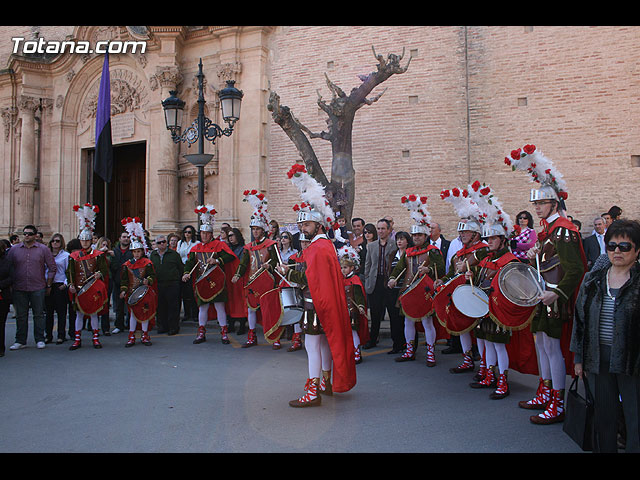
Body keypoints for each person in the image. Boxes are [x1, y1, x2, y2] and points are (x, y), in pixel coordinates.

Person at [505, 144, 587, 424]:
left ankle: (557, 402)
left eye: (540, 203)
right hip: (543, 297)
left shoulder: (563, 229)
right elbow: (549, 262)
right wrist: (535, 253)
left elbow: (575, 269)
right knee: (542, 346)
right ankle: (544, 391)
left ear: (554, 203)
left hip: (554, 299)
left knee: (552, 349)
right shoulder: (548, 231)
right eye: (535, 204)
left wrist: (558, 294)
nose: (536, 207)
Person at [277, 162, 356, 407]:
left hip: (315, 305)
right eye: (301, 225)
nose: (303, 228)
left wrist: (288, 275)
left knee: (313, 345)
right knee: (322, 343)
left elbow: (311, 278)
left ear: (318, 225)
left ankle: (312, 391)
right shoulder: (322, 245)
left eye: (307, 225)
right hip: (321, 303)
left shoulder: (319, 247)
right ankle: (326, 382)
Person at [571, 219, 640, 452]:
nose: (617, 251)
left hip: (633, 361)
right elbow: (579, 320)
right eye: (612, 246)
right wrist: (578, 358)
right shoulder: (593, 279)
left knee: (635, 419)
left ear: (637, 250)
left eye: (624, 246)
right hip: (598, 359)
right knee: (604, 418)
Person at [465, 185, 539, 399]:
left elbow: (516, 288)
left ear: (504, 241)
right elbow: (481, 279)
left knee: (498, 346)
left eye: (493, 239)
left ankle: (503, 381)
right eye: (488, 239)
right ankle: (490, 375)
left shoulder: (512, 261)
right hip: (484, 308)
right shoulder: (487, 259)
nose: (489, 243)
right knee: (487, 344)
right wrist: (473, 277)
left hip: (500, 311)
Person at [435, 184, 490, 373]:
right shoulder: (459, 252)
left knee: (481, 332)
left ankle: (484, 365)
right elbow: (452, 272)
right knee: (464, 329)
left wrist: (470, 270)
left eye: (465, 232)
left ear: (475, 233)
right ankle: (467, 359)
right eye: (460, 232)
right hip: (461, 295)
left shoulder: (483, 249)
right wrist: (443, 280)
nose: (461, 235)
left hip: (479, 294)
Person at [388, 195, 445, 366]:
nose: (416, 237)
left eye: (419, 235)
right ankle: (409, 350)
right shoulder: (408, 251)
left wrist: (429, 270)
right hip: (407, 289)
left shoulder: (433, 251)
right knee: (408, 320)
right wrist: (392, 278)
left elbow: (442, 270)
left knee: (427, 322)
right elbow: (399, 269)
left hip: (424, 291)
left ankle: (430, 353)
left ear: (426, 235)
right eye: (414, 235)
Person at [183, 205, 238, 345]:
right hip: (202, 281)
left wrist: (217, 260)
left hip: (217, 281)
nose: (204, 236)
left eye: (206, 234)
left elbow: (231, 257)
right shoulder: (196, 248)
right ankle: (201, 332)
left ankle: (224, 332)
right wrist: (186, 273)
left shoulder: (219, 245)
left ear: (211, 234)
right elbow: (190, 263)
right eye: (202, 233)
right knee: (203, 307)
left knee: (219, 306)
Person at [232, 191, 280, 348]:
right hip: (252, 281)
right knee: (251, 310)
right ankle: (252, 336)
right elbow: (243, 264)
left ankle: (275, 337)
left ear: (263, 230)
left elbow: (277, 263)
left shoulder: (271, 245)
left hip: (267, 282)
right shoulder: (248, 247)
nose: (255, 232)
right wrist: (238, 275)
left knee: (270, 309)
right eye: (253, 229)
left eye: (258, 229)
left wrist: (269, 266)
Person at [66, 204, 109, 350]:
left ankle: (95, 338)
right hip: (79, 289)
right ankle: (77, 339)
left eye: (87, 240)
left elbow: (104, 269)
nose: (85, 242)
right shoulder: (73, 256)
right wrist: (70, 285)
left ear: (91, 240)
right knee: (78, 314)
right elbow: (70, 272)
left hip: (92, 288)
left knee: (93, 314)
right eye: (83, 240)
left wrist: (100, 273)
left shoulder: (98, 255)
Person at [7, 225, 56, 350]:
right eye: (25, 233)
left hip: (38, 286)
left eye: (29, 233)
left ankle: (39, 339)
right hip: (19, 286)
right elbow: (8, 266)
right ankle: (20, 340)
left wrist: (48, 284)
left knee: (38, 314)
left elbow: (52, 267)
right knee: (21, 315)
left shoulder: (43, 249)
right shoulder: (14, 250)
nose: (26, 236)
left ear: (35, 235)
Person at [120, 218, 156, 347]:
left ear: (142, 251)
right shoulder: (127, 265)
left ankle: (145, 335)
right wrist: (123, 290)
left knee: (144, 314)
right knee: (133, 315)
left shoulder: (148, 263)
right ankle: (131, 336)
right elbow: (124, 280)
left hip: (144, 293)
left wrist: (149, 280)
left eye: (138, 251)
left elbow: (152, 276)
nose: (136, 254)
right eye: (134, 252)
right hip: (132, 293)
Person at [363, 218, 398, 349]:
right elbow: (368, 265)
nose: (380, 231)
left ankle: (397, 343)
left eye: (383, 228)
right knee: (375, 313)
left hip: (389, 283)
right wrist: (368, 281)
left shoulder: (394, 244)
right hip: (375, 282)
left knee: (393, 313)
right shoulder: (371, 246)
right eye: (378, 228)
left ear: (389, 230)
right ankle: (372, 340)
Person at [337, 245, 370, 364]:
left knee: (353, 332)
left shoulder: (355, 280)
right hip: (342, 311)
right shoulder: (340, 280)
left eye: (345, 267)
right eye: (341, 267)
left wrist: (360, 306)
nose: (343, 270)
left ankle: (357, 352)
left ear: (352, 267)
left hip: (353, 311)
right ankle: (348, 352)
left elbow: (359, 296)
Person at [150, 234, 183, 336]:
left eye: (163, 242)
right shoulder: (153, 255)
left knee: (173, 307)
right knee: (160, 307)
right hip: (158, 284)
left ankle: (173, 327)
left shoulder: (174, 254)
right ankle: (162, 326)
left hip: (172, 283)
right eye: (159, 242)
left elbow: (180, 268)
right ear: (156, 244)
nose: (162, 244)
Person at [387, 231, 412, 354]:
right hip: (393, 291)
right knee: (394, 318)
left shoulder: (411, 254)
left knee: (407, 319)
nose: (399, 241)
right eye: (397, 239)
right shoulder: (393, 254)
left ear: (407, 241)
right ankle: (397, 344)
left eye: (402, 239)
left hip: (407, 290)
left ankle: (409, 346)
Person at [44, 233, 70, 344]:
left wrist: (65, 284)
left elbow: (68, 271)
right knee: (48, 312)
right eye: (53, 241)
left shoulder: (66, 255)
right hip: (48, 285)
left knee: (61, 312)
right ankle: (48, 335)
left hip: (59, 285)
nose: (55, 243)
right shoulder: (45, 254)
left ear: (61, 243)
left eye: (57, 241)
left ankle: (61, 335)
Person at [110, 230, 133, 334]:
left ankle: (130, 324)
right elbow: (113, 266)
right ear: (120, 239)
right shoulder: (114, 251)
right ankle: (119, 325)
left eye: (128, 237)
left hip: (130, 281)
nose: (126, 239)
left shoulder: (133, 251)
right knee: (119, 305)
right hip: (118, 281)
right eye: (124, 237)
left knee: (130, 303)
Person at [226, 227, 248, 335]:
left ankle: (242, 325)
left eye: (232, 235)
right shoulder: (227, 248)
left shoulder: (243, 249)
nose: (230, 238)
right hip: (229, 277)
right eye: (229, 236)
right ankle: (231, 324)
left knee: (240, 301)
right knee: (230, 301)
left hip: (239, 278)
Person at [176, 225, 199, 324]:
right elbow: (178, 255)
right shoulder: (180, 243)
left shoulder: (196, 243)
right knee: (184, 292)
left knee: (192, 291)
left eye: (189, 232)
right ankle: (186, 313)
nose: (187, 234)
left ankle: (195, 313)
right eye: (185, 232)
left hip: (192, 268)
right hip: (182, 267)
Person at [95, 236, 114, 336]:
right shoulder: (95, 254)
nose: (105, 247)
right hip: (98, 280)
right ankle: (94, 327)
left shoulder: (110, 255)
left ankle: (105, 327)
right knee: (97, 302)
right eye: (103, 245)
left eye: (107, 245)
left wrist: (113, 256)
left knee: (106, 303)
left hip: (108, 279)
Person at [0, 240, 14, 357]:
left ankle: (0, 347)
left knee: (1, 322)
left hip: (2, 295)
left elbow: (11, 277)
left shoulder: (7, 261)